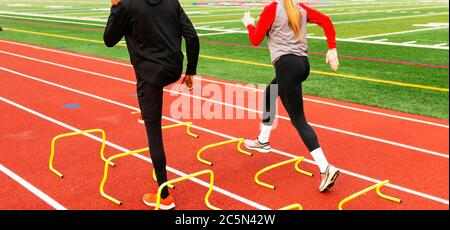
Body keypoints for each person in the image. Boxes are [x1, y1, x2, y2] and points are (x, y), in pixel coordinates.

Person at [104, 0, 199, 209]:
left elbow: (109, 40)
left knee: (154, 130)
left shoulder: (127, 5)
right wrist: (191, 70)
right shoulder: (171, 1)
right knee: (153, 120)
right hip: (173, 69)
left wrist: (115, 7)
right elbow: (192, 36)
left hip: (149, 75)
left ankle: (164, 195)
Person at [241, 0, 340, 192]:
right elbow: (326, 21)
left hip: (287, 66)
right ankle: (263, 140)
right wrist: (332, 48)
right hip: (302, 65)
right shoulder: (300, 7)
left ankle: (325, 168)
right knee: (270, 92)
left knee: (299, 120)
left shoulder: (272, 9)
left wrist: (249, 24)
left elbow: (255, 40)